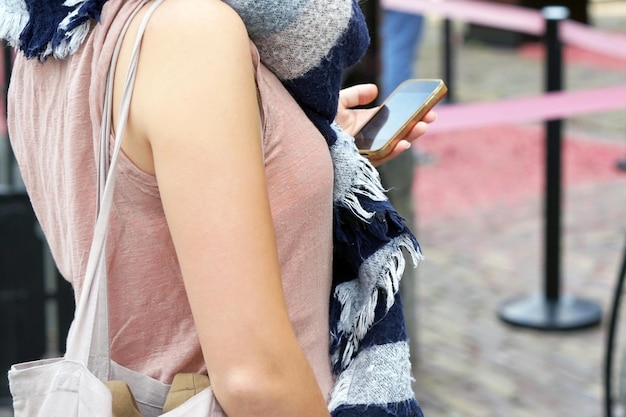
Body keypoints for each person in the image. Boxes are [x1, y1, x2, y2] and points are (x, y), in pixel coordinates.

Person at [2, 0, 436, 416]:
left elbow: (134, 203)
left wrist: (293, 137)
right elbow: (255, 380)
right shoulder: (191, 34)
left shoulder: (47, 38)